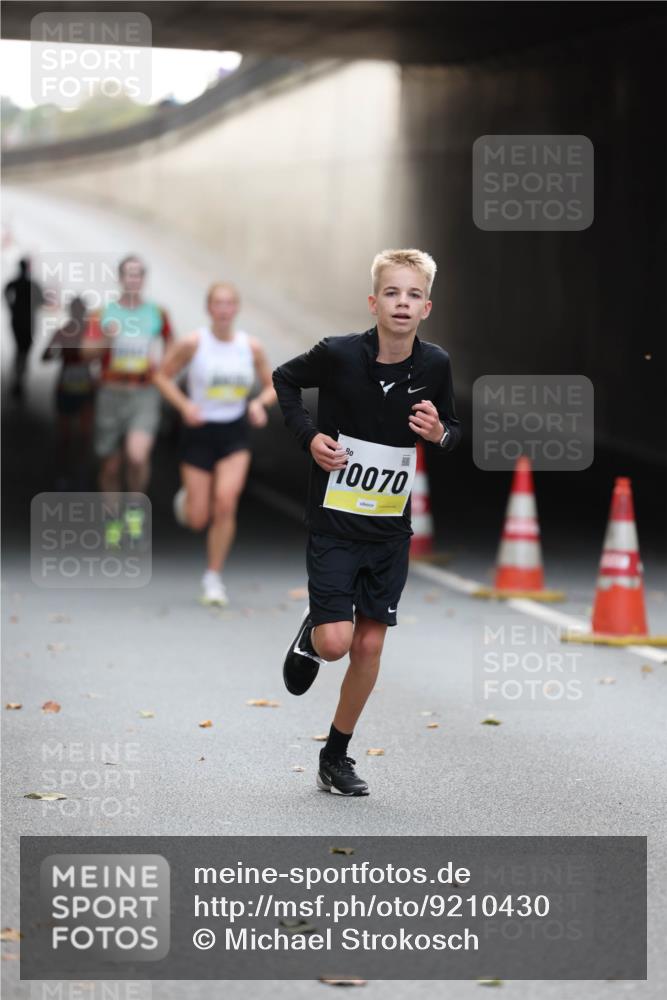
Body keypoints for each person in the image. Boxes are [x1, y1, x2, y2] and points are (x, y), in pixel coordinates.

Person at [273, 248, 461, 797]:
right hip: (334, 523)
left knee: (370, 648)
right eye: (393, 293)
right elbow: (285, 380)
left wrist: (438, 434)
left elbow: (451, 429)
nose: (403, 303)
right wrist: (309, 437)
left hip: (388, 531)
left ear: (427, 306)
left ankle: (335, 756)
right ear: (374, 301)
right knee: (337, 643)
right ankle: (313, 633)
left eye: (414, 295)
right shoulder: (336, 354)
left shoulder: (435, 365)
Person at [153, 281, 276, 605]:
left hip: (234, 432)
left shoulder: (250, 347)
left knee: (226, 501)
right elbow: (161, 376)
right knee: (198, 518)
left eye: (229, 304)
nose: (223, 310)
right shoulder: (194, 343)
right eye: (217, 304)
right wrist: (184, 406)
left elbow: (273, 385)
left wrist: (258, 404)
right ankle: (191, 500)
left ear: (236, 309)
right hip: (199, 431)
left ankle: (213, 577)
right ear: (209, 309)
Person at [85, 255, 172, 543]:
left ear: (143, 279)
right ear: (120, 278)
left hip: (143, 394)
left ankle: (134, 511)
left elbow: (175, 345)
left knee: (137, 455)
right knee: (110, 465)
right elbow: (86, 352)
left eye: (138, 274)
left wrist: (164, 370)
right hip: (111, 392)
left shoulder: (157, 313)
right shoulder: (104, 313)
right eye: (128, 274)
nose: (133, 279)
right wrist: (106, 340)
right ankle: (112, 520)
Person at [41, 296, 97, 488]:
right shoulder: (63, 332)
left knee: (84, 435)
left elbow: (103, 355)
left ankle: (80, 475)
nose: (79, 314)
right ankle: (63, 474)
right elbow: (45, 356)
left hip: (86, 389)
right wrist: (63, 352)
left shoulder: (91, 334)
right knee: (65, 436)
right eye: (76, 311)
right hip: (66, 387)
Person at [3, 257, 45, 399]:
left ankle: (18, 379)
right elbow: (42, 301)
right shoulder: (32, 284)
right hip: (27, 322)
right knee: (24, 350)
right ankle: (19, 379)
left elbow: (6, 294)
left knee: (20, 349)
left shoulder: (16, 283)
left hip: (18, 320)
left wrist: (13, 307)